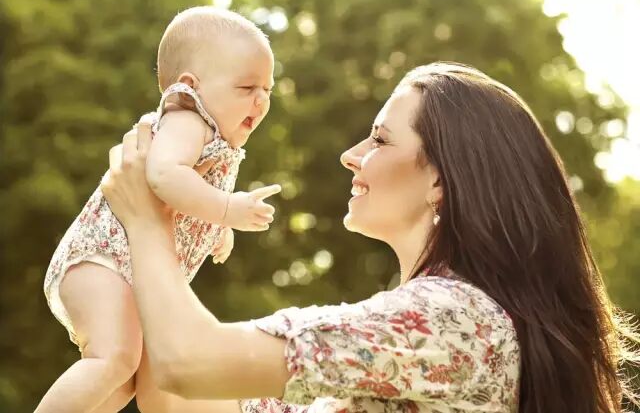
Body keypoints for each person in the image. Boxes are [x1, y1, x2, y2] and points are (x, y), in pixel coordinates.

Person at [101, 62, 639, 413]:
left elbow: (188, 363)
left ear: (440, 180)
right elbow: (177, 391)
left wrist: (146, 222)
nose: (351, 155)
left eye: (379, 139)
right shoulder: (397, 344)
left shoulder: (451, 318)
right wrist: (163, 215)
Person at [38, 7, 281, 413]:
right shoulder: (188, 119)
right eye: (246, 87)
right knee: (113, 359)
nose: (260, 100)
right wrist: (225, 209)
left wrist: (215, 225)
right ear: (191, 86)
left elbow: (188, 193)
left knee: (121, 380)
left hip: (125, 270)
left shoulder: (215, 139)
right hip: (103, 259)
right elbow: (164, 175)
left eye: (268, 90)